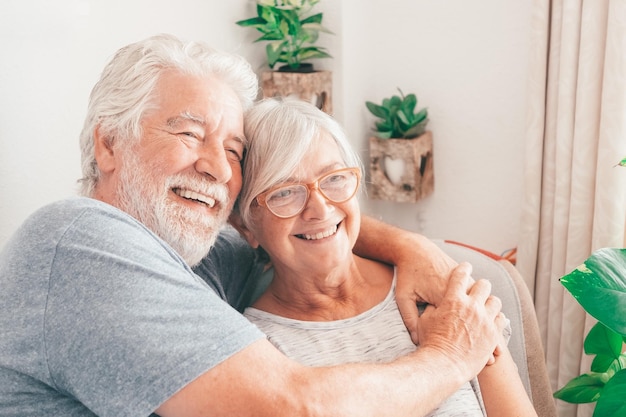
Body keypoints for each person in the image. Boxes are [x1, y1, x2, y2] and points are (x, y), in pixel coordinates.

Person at [0, 34, 502, 417]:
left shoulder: (194, 255)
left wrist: (411, 247)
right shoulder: (79, 241)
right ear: (108, 144)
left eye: (234, 151)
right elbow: (291, 408)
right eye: (191, 134)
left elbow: (295, 227)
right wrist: (453, 357)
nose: (218, 168)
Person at [232, 98, 538, 416]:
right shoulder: (257, 351)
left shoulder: (435, 288)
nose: (320, 209)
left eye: (334, 178)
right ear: (245, 225)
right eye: (284, 191)